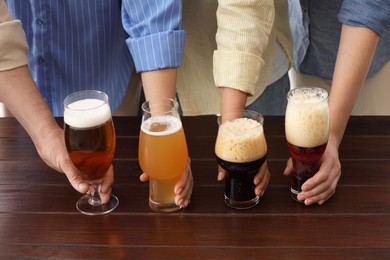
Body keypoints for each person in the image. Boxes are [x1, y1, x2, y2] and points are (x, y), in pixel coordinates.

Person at [1, 0, 192, 208]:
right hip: (19, 92)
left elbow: (153, 14)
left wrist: (164, 137)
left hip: (110, 88)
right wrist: (45, 134)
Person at [178, 0, 293, 197]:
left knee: (258, 191)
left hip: (255, 64)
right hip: (175, 73)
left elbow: (244, 10)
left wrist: (233, 141)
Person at [286, 0, 390, 205]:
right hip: (301, 51)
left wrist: (330, 135)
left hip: (368, 64)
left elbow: (368, 5)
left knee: (370, 189)